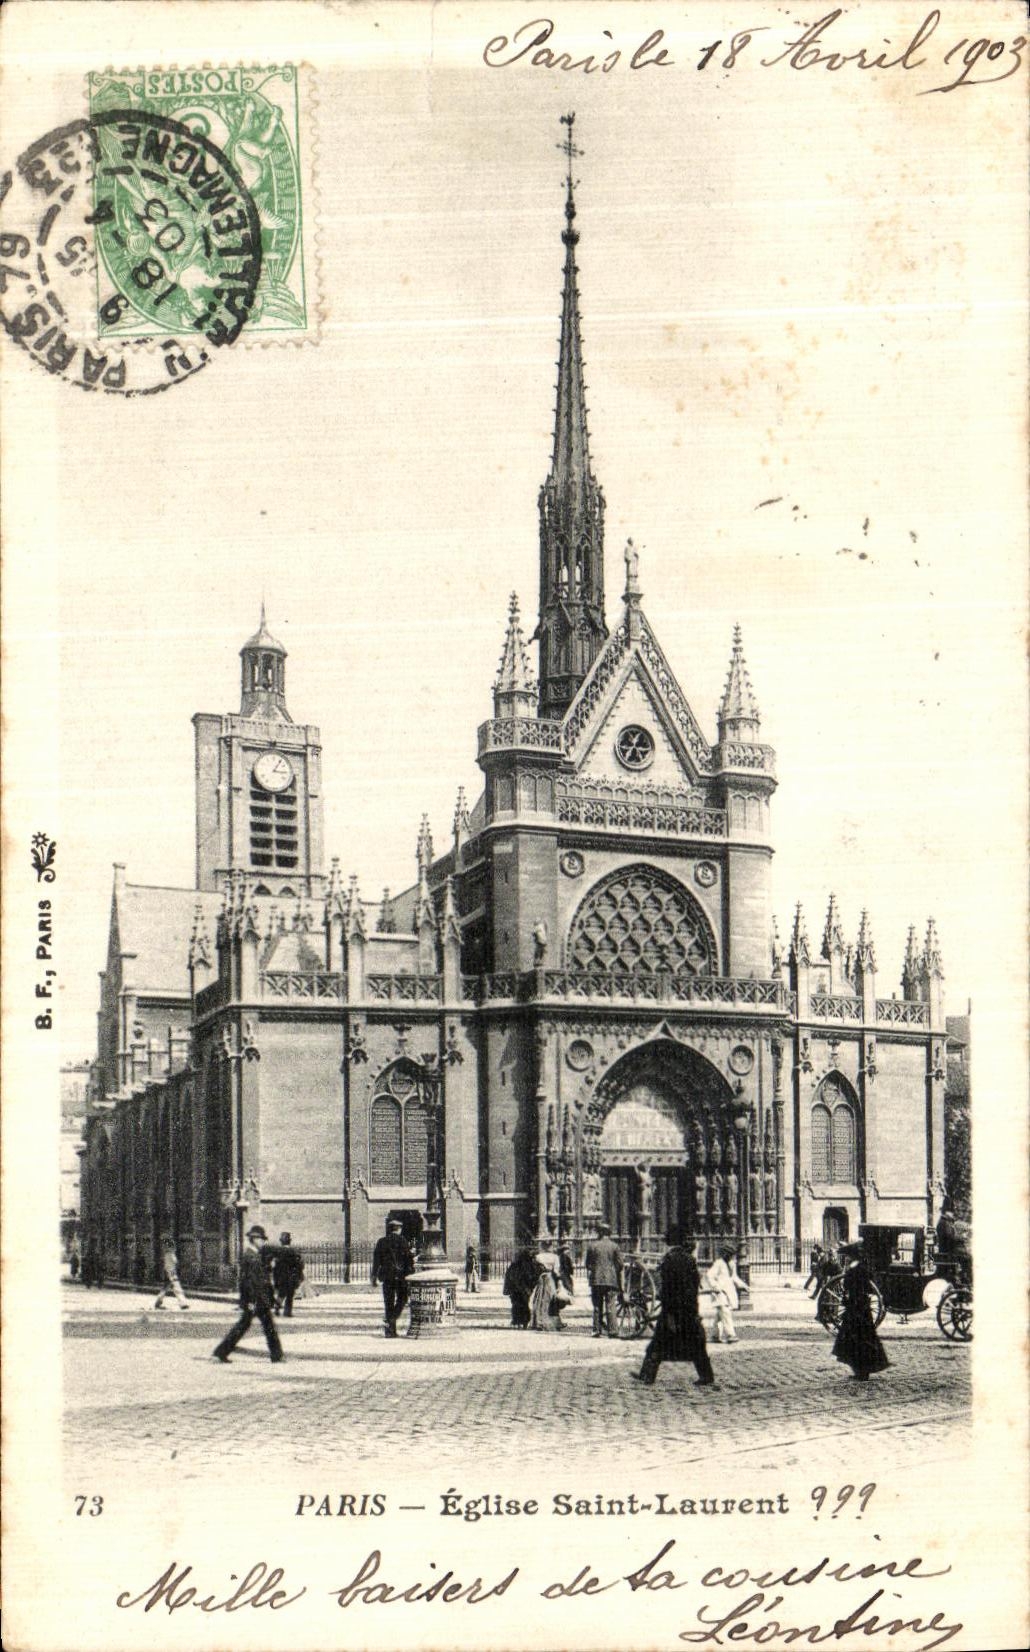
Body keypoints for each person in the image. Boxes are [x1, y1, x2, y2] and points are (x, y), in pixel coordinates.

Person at [634, 1229, 716, 1388]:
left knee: (657, 1344)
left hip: (671, 1309)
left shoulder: (669, 1259)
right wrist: (694, 1309)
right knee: (697, 1344)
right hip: (688, 1308)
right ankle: (706, 1375)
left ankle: (647, 1375)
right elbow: (694, 1286)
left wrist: (666, 1306)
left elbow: (666, 1288)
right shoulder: (690, 1260)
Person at [213, 1224, 284, 1364]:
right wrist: (251, 1301)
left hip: (258, 1299)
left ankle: (222, 1351)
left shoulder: (253, 1255)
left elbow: (261, 1278)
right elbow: (249, 1282)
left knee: (249, 1326)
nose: (263, 1242)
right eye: (261, 1239)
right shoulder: (250, 1257)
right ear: (255, 1239)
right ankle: (276, 1355)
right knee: (263, 1327)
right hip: (256, 1300)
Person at [831, 1240, 889, 1382]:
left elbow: (852, 1286)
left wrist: (850, 1297)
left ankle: (862, 1371)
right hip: (859, 1307)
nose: (846, 1258)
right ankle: (861, 1370)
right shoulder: (859, 1267)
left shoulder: (857, 1268)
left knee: (858, 1339)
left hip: (857, 1308)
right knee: (860, 1338)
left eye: (848, 1255)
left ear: (853, 1256)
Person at [371, 1218, 414, 1337]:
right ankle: (392, 1319)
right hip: (400, 1277)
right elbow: (408, 1261)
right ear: (399, 1229)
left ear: (389, 1229)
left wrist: (374, 1276)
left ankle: (390, 1331)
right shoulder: (403, 1241)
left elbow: (376, 1261)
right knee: (403, 1299)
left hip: (386, 1277)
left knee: (388, 1302)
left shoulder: (381, 1242)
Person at [585, 1221, 624, 1338]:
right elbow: (620, 1264)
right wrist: (612, 1271)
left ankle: (596, 1330)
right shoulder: (614, 1246)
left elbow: (587, 1264)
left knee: (597, 1305)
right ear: (609, 1233)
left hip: (596, 1280)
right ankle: (612, 1330)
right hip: (611, 1280)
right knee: (610, 1305)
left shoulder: (592, 1246)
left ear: (599, 1233)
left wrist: (596, 1269)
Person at [704, 1244, 749, 1344]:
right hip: (719, 1292)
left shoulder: (732, 1263)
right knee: (725, 1312)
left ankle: (715, 1335)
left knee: (720, 1315)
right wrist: (715, 1286)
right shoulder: (718, 1263)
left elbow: (734, 1277)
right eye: (729, 1254)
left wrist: (743, 1285)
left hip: (728, 1292)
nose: (731, 1256)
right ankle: (730, 1335)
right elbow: (709, 1275)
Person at [530, 1243, 569, 1331]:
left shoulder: (538, 1257)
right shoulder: (555, 1257)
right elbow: (556, 1270)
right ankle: (554, 1322)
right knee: (551, 1300)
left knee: (540, 1299)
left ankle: (538, 1321)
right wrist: (559, 1281)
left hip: (541, 1278)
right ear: (550, 1247)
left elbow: (535, 1269)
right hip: (550, 1278)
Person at [503, 1245, 539, 1328]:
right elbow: (534, 1276)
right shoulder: (530, 1264)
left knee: (516, 1304)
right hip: (525, 1288)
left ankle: (517, 1321)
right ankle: (525, 1321)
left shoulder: (515, 1264)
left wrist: (509, 1288)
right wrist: (531, 1286)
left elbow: (509, 1276)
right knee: (524, 1304)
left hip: (516, 1288)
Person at [153, 1235, 191, 1310]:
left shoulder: (166, 1254)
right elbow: (176, 1263)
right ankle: (183, 1303)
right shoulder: (171, 1254)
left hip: (167, 1271)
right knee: (177, 1287)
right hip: (172, 1272)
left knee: (165, 1288)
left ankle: (158, 1301)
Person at [273, 1231, 305, 1317]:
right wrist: (299, 1275)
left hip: (281, 1277)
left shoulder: (277, 1252)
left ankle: (277, 1306)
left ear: (281, 1241)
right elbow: (300, 1265)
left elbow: (275, 1267)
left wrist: (275, 1278)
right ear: (290, 1241)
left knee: (281, 1293)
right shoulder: (294, 1252)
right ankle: (287, 1312)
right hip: (291, 1277)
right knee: (290, 1295)